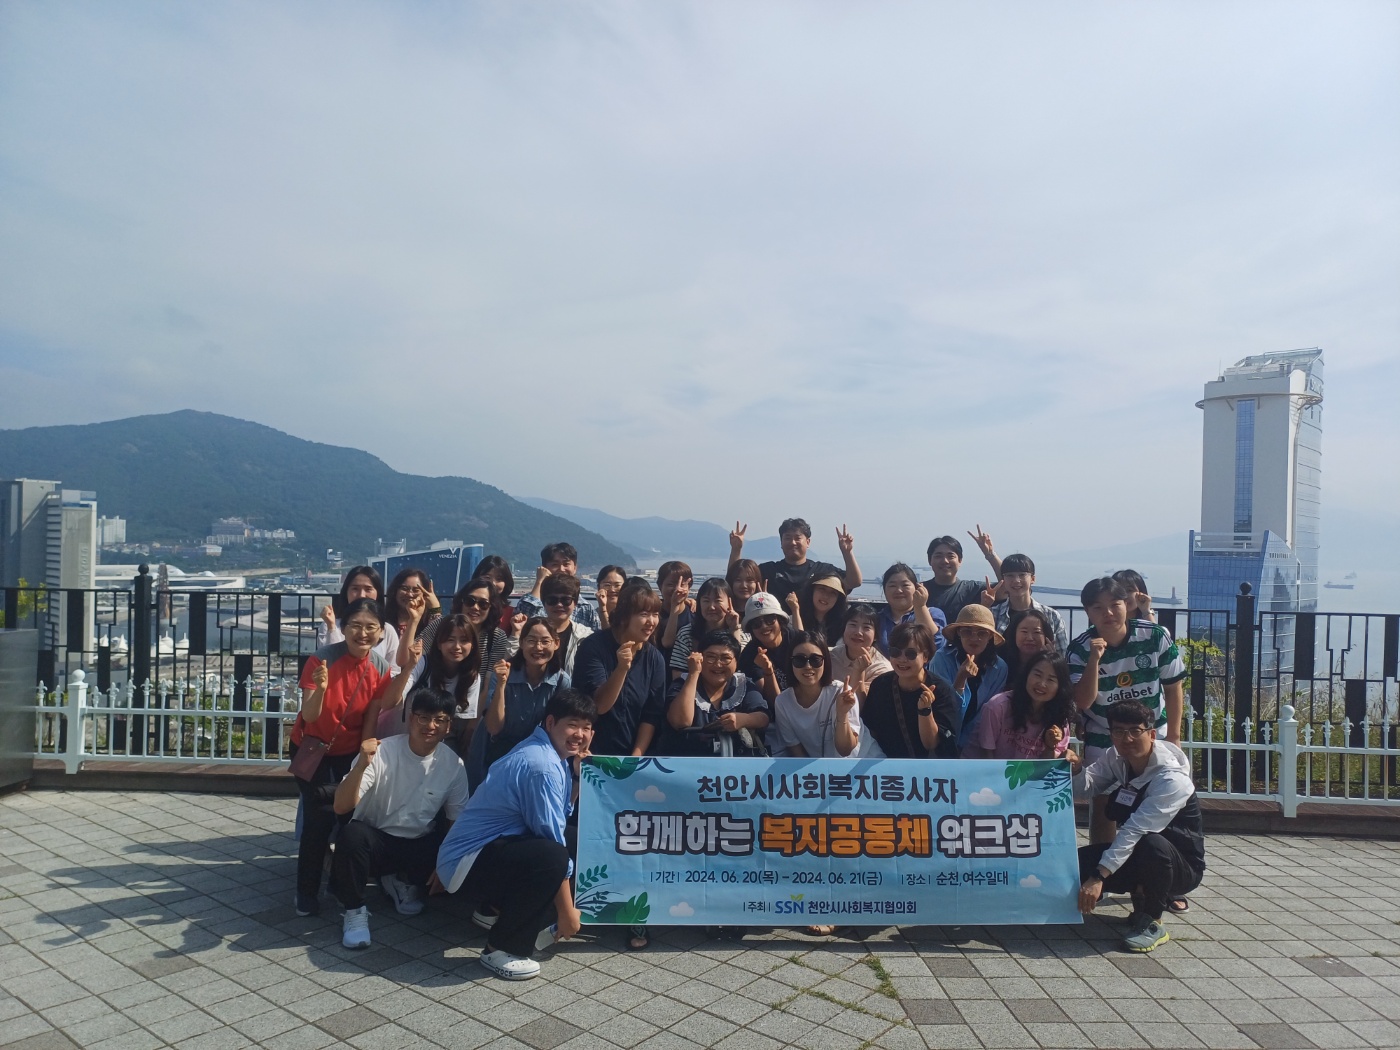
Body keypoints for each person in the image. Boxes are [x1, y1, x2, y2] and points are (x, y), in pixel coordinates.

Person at [435, 688, 596, 980]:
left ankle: (493, 909)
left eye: (586, 727)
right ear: (551, 722)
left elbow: (559, 818)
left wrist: (576, 776)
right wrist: (567, 912)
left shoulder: (552, 753)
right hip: (465, 864)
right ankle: (500, 948)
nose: (580, 734)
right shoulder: (542, 765)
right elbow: (552, 841)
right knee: (552, 857)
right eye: (572, 724)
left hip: (484, 851)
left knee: (572, 841)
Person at [331, 687, 470, 949]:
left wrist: (448, 864)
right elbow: (341, 806)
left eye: (440, 720)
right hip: (377, 839)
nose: (431, 726)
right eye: (423, 717)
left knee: (454, 852)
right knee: (351, 835)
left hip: (418, 842)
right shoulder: (382, 752)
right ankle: (354, 911)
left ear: (449, 725)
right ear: (410, 718)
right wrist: (360, 766)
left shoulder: (454, 765)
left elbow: (457, 821)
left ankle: (400, 882)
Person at [291, 598, 403, 916]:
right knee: (319, 819)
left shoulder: (379, 667)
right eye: (355, 625)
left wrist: (363, 757)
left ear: (381, 632)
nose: (362, 633)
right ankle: (306, 891)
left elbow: (371, 716)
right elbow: (310, 715)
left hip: (348, 753)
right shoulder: (322, 659)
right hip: (312, 749)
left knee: (348, 820)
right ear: (343, 628)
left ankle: (339, 884)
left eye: (371, 627)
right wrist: (321, 689)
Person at [1076, 700, 1205, 953]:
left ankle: (1153, 921)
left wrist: (1098, 877)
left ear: (1152, 734)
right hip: (1136, 855)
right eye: (1119, 731)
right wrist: (1076, 768)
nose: (1127, 738)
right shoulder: (1116, 757)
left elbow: (1134, 831)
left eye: (1135, 731)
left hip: (1179, 867)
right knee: (1075, 865)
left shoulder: (1171, 779)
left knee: (1150, 842)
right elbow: (1086, 788)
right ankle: (1140, 895)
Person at [1067, 577, 1187, 846]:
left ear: (1126, 604)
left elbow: (1173, 687)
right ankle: (1102, 861)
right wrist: (1094, 660)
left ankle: (1153, 864)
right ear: (1088, 612)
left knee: (1158, 798)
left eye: (1115, 605)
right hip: (1103, 733)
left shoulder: (1154, 636)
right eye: (1098, 608)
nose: (1108, 613)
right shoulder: (1080, 649)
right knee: (1103, 803)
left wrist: (1174, 736)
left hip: (1151, 731)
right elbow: (1082, 701)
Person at [468, 618, 570, 791]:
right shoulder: (503, 674)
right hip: (496, 756)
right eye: (531, 640)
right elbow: (493, 727)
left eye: (545, 641)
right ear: (521, 643)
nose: (538, 647)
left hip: (536, 760)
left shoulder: (562, 681)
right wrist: (501, 685)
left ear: (556, 643)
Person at [573, 577, 666, 759]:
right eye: (644, 614)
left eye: (655, 614)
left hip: (634, 757)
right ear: (624, 617)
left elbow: (651, 715)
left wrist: (635, 757)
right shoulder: (593, 647)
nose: (651, 622)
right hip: (590, 753)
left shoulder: (655, 659)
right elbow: (599, 706)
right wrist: (622, 668)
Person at [364, 614, 482, 751]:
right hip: (394, 741)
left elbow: (458, 725)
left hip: (428, 749)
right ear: (439, 644)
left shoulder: (471, 678)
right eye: (450, 640)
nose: (457, 646)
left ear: (473, 645)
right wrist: (409, 666)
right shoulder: (423, 664)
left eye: (464, 640)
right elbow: (388, 703)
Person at [859, 623, 961, 759]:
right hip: (885, 765)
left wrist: (925, 711)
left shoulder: (942, 691)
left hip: (926, 768)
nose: (902, 659)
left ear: (925, 656)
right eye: (895, 652)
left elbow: (931, 744)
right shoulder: (880, 685)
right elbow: (871, 731)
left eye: (910, 654)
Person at [664, 631, 770, 757]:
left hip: (738, 764)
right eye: (711, 657)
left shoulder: (744, 683)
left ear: (736, 662)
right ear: (700, 659)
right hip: (688, 762)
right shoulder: (682, 683)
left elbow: (763, 717)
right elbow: (680, 722)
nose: (718, 664)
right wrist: (693, 674)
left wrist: (744, 719)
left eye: (725, 658)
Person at [965, 651, 1075, 760]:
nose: (1042, 684)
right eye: (1037, 675)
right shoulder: (997, 706)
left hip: (1030, 772)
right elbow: (986, 755)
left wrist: (1050, 747)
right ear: (1026, 675)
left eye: (1050, 679)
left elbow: (1048, 766)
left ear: (1061, 686)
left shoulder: (1060, 718)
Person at [767, 631, 861, 759]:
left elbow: (845, 750)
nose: (808, 666)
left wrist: (842, 714)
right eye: (799, 660)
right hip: (818, 769)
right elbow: (797, 753)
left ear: (825, 661)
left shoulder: (842, 693)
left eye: (815, 660)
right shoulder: (782, 702)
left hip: (863, 761)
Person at [728, 518, 862, 605]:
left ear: (808, 542)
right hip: (774, 630)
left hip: (810, 632)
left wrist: (847, 552)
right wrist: (736, 549)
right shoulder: (768, 570)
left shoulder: (822, 571)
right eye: (787, 538)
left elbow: (853, 582)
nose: (793, 542)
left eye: (798, 538)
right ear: (781, 543)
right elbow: (733, 578)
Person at [932, 605, 1009, 752]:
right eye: (967, 631)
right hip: (941, 740)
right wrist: (960, 681)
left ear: (990, 636)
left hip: (978, 745)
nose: (974, 638)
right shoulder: (941, 659)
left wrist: (968, 748)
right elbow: (942, 709)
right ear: (958, 633)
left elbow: (989, 714)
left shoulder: (999, 668)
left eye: (982, 633)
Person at [317, 566, 400, 667]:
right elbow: (328, 662)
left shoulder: (387, 630)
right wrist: (331, 628)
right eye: (355, 589)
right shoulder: (330, 625)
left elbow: (394, 669)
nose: (361, 595)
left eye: (368, 589)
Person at [669, 578, 748, 679]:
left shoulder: (743, 635)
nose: (711, 607)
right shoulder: (687, 633)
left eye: (718, 601)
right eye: (706, 601)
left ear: (729, 602)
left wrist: (734, 630)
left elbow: (741, 668)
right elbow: (677, 675)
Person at [989, 553, 1069, 653]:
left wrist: (1051, 658)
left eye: (1022, 575)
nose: (1016, 580)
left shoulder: (1051, 616)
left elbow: (1062, 655)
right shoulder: (993, 614)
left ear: (1032, 579)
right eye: (1010, 575)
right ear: (1003, 580)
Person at [515, 542, 602, 629]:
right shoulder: (532, 601)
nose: (561, 569)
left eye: (566, 564)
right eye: (555, 564)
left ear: (575, 568)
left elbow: (596, 635)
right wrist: (539, 581)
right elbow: (523, 617)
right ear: (544, 568)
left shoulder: (585, 608)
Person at [737, 593, 796, 707]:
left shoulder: (798, 640)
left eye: (769, 619)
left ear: (780, 620)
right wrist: (768, 671)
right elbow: (774, 702)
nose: (764, 626)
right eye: (756, 623)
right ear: (751, 628)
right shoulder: (749, 656)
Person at [924, 533, 999, 621]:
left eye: (950, 556)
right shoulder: (919, 591)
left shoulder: (973, 590)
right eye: (938, 556)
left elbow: (1007, 584)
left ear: (960, 561)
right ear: (929, 560)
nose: (945, 561)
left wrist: (990, 554)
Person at [452, 577, 522, 671]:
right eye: (470, 601)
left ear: (491, 608)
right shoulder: (440, 627)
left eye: (483, 604)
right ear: (461, 602)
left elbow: (491, 676)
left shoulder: (496, 637)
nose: (475, 607)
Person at [877, 563, 946, 656]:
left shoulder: (933, 613)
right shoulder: (877, 619)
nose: (899, 590)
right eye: (892, 586)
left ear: (917, 588)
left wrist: (920, 606)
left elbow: (938, 646)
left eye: (905, 585)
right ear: (884, 590)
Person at [384, 567, 441, 673]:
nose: (410, 594)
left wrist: (435, 609)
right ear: (395, 591)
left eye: (416, 590)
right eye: (404, 588)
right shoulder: (383, 621)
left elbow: (439, 643)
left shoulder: (428, 623)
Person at [828, 604, 892, 697]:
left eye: (866, 627)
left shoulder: (882, 669)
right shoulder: (830, 656)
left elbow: (863, 704)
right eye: (853, 625)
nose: (858, 632)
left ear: (876, 636)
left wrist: (859, 672)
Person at [539, 573, 594, 676]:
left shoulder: (586, 637)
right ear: (543, 602)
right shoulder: (530, 632)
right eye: (552, 600)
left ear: (575, 603)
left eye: (566, 600)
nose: (559, 605)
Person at [998, 607, 1059, 685]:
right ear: (1014, 634)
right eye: (1024, 631)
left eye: (1036, 632)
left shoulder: (1055, 665)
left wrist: (1051, 662)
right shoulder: (1000, 663)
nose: (1030, 638)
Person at [787, 573, 847, 648]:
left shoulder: (843, 626)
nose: (826, 596)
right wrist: (795, 611)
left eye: (833, 593)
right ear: (812, 591)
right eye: (822, 589)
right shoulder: (792, 620)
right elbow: (801, 646)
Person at [653, 561, 694, 663]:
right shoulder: (652, 614)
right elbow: (667, 643)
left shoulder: (695, 615)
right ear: (660, 586)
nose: (677, 589)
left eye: (682, 584)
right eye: (671, 584)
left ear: (689, 587)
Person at [594, 564, 628, 631]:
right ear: (599, 587)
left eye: (617, 585)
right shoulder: (591, 615)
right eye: (607, 585)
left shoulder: (630, 616)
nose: (612, 590)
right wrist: (602, 607)